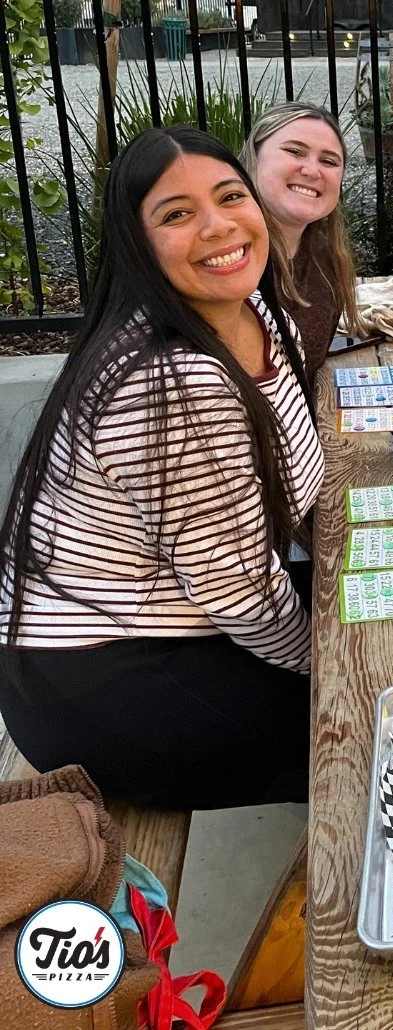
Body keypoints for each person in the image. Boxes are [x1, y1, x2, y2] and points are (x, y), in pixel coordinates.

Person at [0, 127, 323, 809]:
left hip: (186, 613)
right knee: (371, 721)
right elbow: (235, 589)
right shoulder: (173, 381)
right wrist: (330, 666)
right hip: (101, 683)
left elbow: (261, 530)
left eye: (230, 196)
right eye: (176, 214)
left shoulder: (261, 316)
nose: (217, 225)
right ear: (138, 247)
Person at [241, 102, 360, 377]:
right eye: (295, 151)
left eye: (328, 161)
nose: (312, 171)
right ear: (254, 158)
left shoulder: (325, 255)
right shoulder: (232, 257)